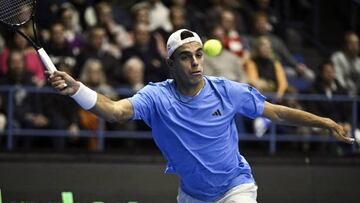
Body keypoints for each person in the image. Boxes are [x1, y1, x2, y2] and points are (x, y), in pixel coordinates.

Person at [49, 29, 354, 203]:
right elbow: (115, 111)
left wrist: (323, 122)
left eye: (198, 54)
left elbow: (277, 112)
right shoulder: (157, 96)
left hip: (236, 188)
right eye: (185, 56)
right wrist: (78, 89)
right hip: (192, 196)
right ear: (171, 63)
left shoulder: (228, 90)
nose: (195, 62)